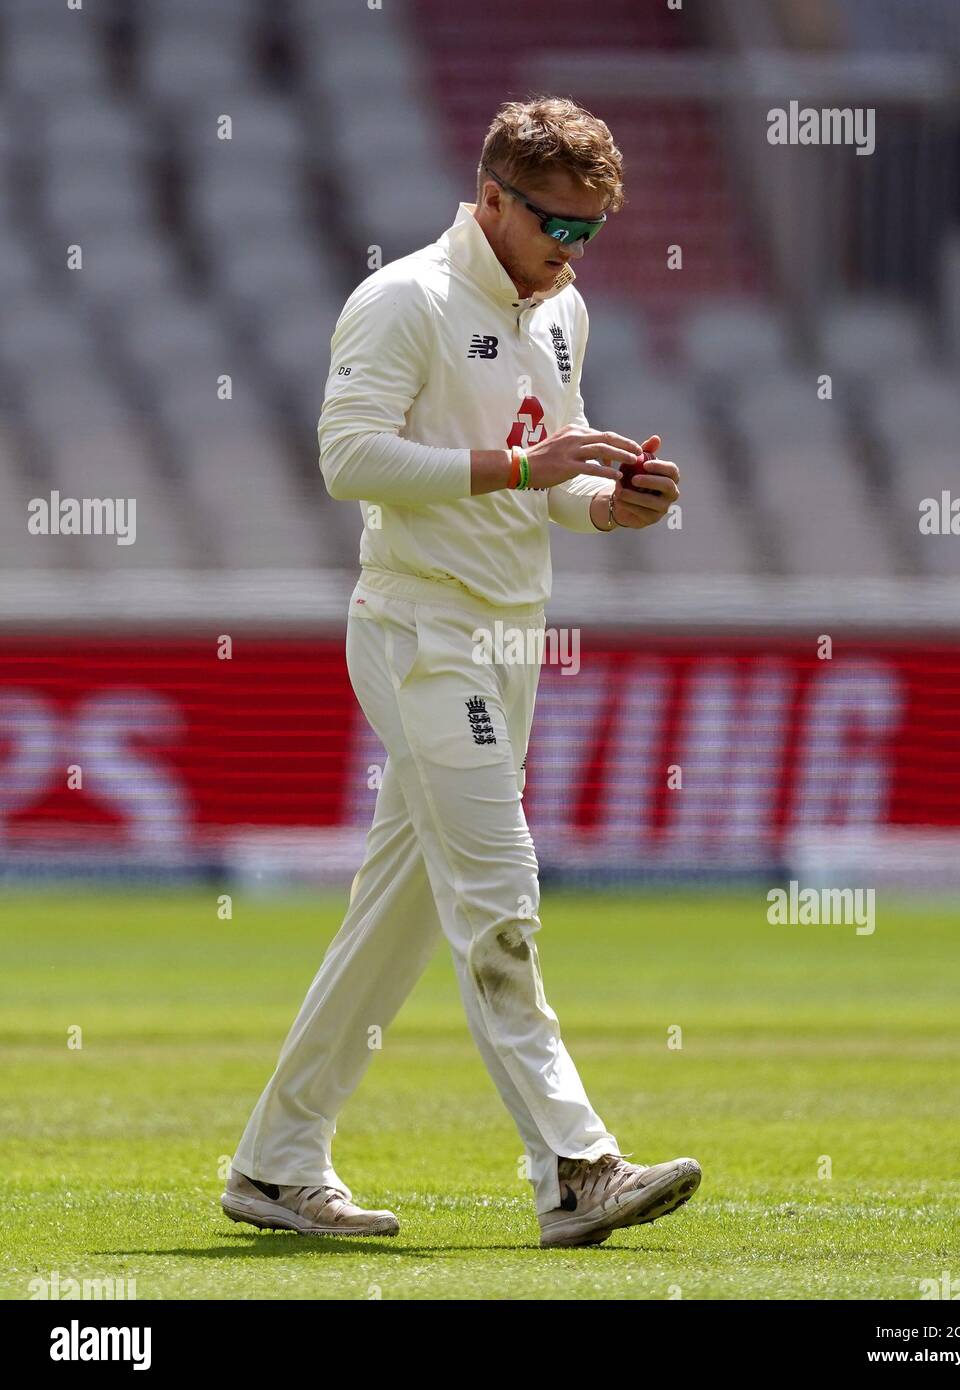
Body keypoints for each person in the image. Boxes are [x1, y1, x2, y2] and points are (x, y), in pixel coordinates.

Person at [222, 95, 700, 1249]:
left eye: (589, 231)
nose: (570, 252)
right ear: (490, 197)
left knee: (394, 920)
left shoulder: (562, 309)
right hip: (420, 628)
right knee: (501, 902)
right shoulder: (405, 302)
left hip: (508, 635)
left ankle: (275, 1165)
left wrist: (610, 505)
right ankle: (575, 1167)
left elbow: (555, 480)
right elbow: (347, 458)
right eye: (554, 225)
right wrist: (525, 465)